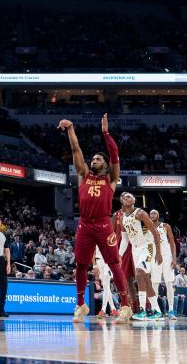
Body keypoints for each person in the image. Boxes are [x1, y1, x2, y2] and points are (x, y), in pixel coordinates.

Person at [61, 114, 131, 323]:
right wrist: (71, 128)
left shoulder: (110, 178)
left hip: (103, 224)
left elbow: (115, 154)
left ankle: (125, 307)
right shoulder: (83, 174)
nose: (94, 161)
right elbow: (76, 150)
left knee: (113, 263)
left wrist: (106, 133)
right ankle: (81, 304)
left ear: (106, 164)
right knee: (81, 265)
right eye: (93, 159)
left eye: (98, 159)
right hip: (84, 224)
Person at [117, 192, 163, 321]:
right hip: (135, 249)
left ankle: (142, 310)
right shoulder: (122, 218)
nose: (125, 198)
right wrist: (119, 256)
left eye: (128, 196)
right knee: (145, 280)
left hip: (147, 246)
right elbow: (125, 240)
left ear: (134, 200)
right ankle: (157, 311)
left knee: (138, 273)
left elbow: (154, 231)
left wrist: (158, 252)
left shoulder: (140, 213)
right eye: (123, 197)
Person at [148, 209, 178, 319]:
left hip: (167, 257)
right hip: (154, 257)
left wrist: (174, 259)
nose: (153, 215)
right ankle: (155, 309)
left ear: (158, 215)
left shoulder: (165, 226)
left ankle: (171, 310)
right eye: (151, 213)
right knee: (154, 283)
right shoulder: (147, 227)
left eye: (155, 213)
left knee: (169, 283)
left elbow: (172, 243)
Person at [93, 246, 117, 318]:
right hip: (99, 261)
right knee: (106, 287)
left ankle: (103, 310)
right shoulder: (94, 236)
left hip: (108, 261)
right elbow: (92, 252)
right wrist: (94, 266)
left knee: (106, 284)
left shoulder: (109, 235)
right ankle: (113, 309)